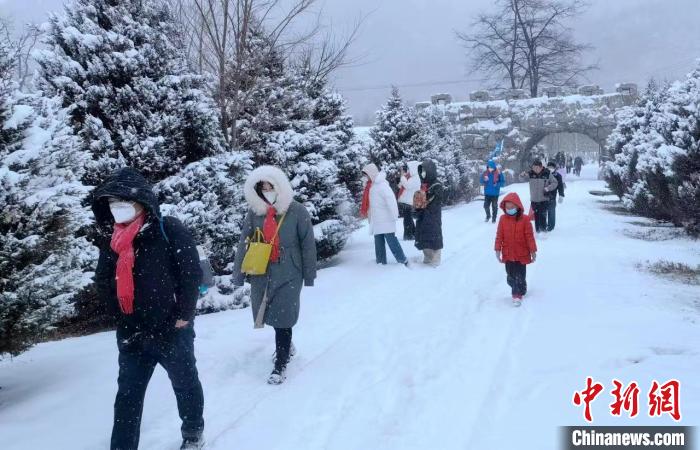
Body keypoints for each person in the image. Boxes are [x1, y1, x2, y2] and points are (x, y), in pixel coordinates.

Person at [92, 168, 205, 450]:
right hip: (133, 333)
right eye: (111, 203)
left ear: (143, 202)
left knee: (185, 384)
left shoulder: (169, 229)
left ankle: (193, 433)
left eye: (123, 202)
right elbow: (104, 280)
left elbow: (191, 273)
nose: (117, 209)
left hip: (171, 330)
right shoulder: (113, 240)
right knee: (128, 397)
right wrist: (121, 318)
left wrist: (183, 316)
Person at [232, 166, 317, 385]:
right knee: (268, 313)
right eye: (263, 187)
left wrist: (309, 274)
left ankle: (280, 364)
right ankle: (287, 346)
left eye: (271, 186)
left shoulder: (297, 210)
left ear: (280, 186)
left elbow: (308, 244)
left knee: (284, 316)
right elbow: (244, 241)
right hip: (262, 271)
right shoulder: (255, 212)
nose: (267, 190)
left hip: (290, 270)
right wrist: (238, 274)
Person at [360, 163, 409, 266]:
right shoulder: (370, 186)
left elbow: (391, 200)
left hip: (386, 219)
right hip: (376, 220)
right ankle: (381, 263)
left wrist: (394, 214)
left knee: (391, 241)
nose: (366, 177)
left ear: (372, 173)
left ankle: (403, 260)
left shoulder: (382, 185)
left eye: (366, 174)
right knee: (378, 242)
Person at [494, 192, 537, 306]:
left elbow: (530, 237)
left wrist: (533, 251)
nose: (509, 209)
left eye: (512, 207)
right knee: (510, 277)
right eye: (507, 207)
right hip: (508, 254)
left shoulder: (525, 220)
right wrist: (497, 249)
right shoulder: (503, 219)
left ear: (518, 206)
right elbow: (499, 235)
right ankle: (521, 287)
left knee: (519, 275)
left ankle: (516, 295)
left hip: (521, 254)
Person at [414, 159, 444, 267]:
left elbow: (436, 200)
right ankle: (427, 256)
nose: (422, 173)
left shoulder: (437, 185)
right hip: (423, 215)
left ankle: (436, 259)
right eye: (421, 171)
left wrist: (424, 199)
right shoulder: (423, 184)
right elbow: (421, 199)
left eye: (424, 171)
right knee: (423, 235)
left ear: (430, 171)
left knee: (434, 235)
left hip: (433, 215)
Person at [519, 159, 558, 233]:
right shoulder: (530, 173)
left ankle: (543, 231)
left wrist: (548, 188)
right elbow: (521, 179)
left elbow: (555, 182)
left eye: (537, 168)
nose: (535, 169)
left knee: (543, 214)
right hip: (534, 199)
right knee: (536, 215)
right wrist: (521, 175)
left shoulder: (547, 173)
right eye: (533, 167)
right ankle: (538, 231)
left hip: (544, 199)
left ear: (541, 167)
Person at [397, 161, 421, 240]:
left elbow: (407, 185)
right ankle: (414, 233)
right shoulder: (411, 177)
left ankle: (408, 235)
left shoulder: (416, 178)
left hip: (409, 201)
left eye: (409, 168)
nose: (408, 170)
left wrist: (402, 176)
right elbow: (402, 185)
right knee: (408, 218)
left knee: (407, 219)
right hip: (407, 201)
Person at [546, 161, 565, 232]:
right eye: (549, 167)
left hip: (552, 196)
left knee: (551, 211)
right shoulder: (544, 174)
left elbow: (560, 186)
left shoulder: (558, 175)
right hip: (543, 196)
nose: (550, 169)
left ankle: (551, 226)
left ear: (554, 168)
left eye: (551, 167)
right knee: (544, 212)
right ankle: (544, 225)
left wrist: (561, 195)